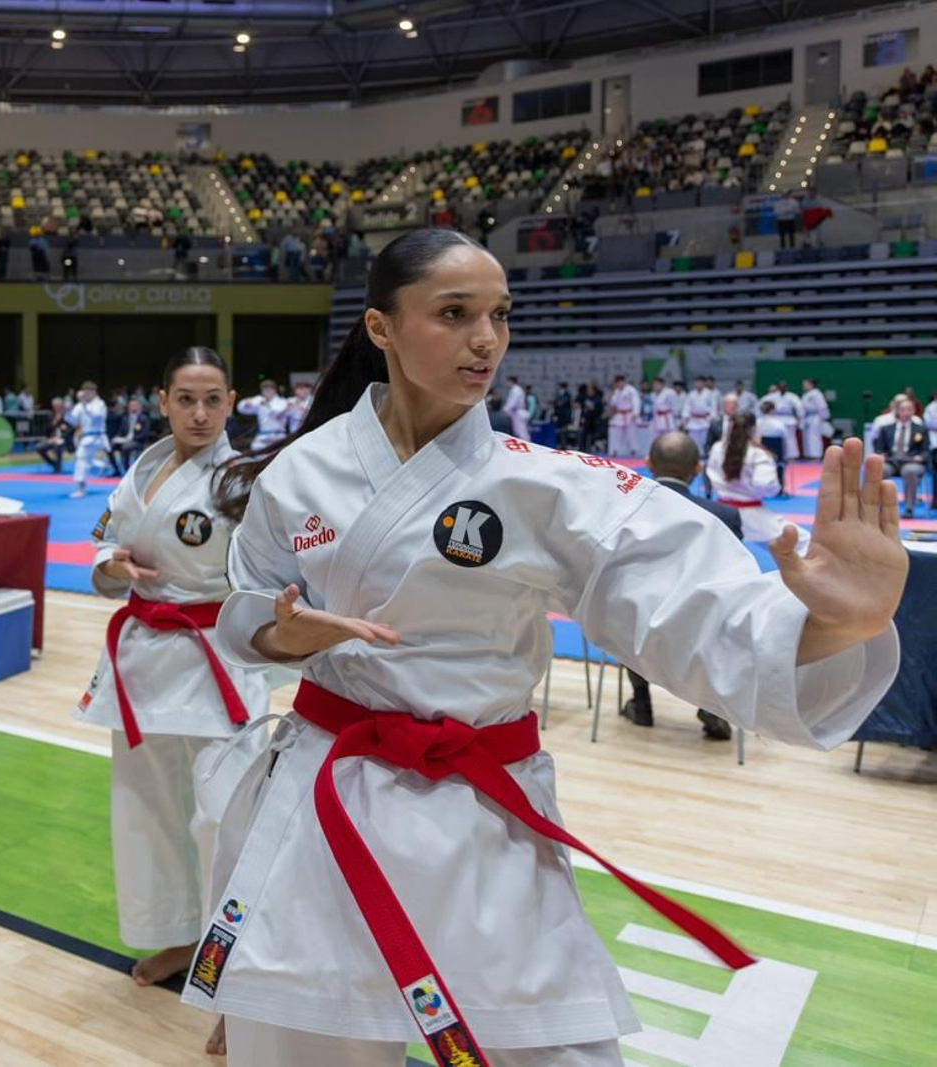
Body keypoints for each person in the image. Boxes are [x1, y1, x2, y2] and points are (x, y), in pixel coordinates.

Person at [186, 230, 904, 1066]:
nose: (486, 339)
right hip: (321, 794)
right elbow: (243, 609)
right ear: (381, 328)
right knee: (305, 1044)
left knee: (555, 1051)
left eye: (499, 314)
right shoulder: (300, 472)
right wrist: (279, 632)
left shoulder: (548, 485)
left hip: (477, 808)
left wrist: (831, 626)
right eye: (454, 314)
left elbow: (676, 594)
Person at [77, 347, 270, 1059]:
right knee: (147, 809)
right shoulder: (140, 468)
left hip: (218, 656)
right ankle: (184, 938)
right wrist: (112, 565)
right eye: (185, 398)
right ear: (161, 399)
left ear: (232, 400)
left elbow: (280, 569)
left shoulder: (245, 481)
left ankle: (242, 983)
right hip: (144, 662)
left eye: (212, 399)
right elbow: (103, 546)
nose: (198, 412)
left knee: (228, 822)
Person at [618, 433, 739, 740]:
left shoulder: (624, 509)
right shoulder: (725, 515)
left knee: (629, 609)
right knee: (718, 615)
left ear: (647, 464)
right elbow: (735, 575)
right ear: (697, 469)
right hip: (702, 626)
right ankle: (712, 707)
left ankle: (641, 702)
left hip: (640, 628)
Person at [707, 410, 805, 547]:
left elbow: (711, 474)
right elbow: (767, 487)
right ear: (754, 429)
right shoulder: (758, 455)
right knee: (803, 541)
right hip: (752, 515)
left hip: (721, 512)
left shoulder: (717, 449)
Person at [873, 396, 930, 519]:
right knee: (881, 469)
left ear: (914, 411)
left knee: (910, 471)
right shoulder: (886, 429)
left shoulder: (921, 429)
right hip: (891, 461)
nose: (906, 412)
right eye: (903, 409)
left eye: (909, 409)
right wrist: (881, 455)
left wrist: (920, 457)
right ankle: (880, 505)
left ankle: (909, 508)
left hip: (911, 462)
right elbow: (878, 449)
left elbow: (926, 450)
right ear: (897, 411)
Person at [68, 381, 110, 499]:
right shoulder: (80, 405)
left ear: (93, 392)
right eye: (84, 392)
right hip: (86, 437)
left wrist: (84, 404)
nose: (85, 394)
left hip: (97, 437)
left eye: (87, 392)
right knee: (86, 461)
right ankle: (101, 466)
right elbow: (72, 420)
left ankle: (81, 488)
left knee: (81, 458)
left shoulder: (100, 404)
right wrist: (68, 407)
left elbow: (97, 417)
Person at [236, 380, 290, 452]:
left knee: (280, 453)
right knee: (255, 448)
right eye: (265, 389)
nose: (267, 391)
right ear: (262, 391)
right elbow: (241, 409)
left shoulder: (282, 401)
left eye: (270, 389)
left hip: (279, 435)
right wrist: (246, 403)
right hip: (263, 436)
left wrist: (266, 405)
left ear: (275, 390)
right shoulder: (259, 400)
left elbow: (277, 412)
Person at [756, 398, 791, 498]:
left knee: (762, 468)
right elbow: (785, 439)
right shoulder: (778, 423)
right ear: (772, 410)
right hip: (776, 448)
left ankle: (761, 489)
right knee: (779, 468)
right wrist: (787, 455)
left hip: (762, 448)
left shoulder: (757, 422)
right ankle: (780, 489)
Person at [109, 398, 151, 476]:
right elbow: (121, 431)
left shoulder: (143, 418)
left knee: (125, 447)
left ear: (139, 406)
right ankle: (116, 469)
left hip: (137, 441)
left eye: (135, 405)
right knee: (110, 448)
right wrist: (117, 438)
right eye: (131, 405)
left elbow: (144, 433)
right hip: (125, 439)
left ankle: (127, 469)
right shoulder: (125, 418)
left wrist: (132, 439)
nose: (133, 407)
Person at [682, 376, 717, 456]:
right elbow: (687, 406)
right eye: (697, 382)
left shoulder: (710, 394)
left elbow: (713, 407)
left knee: (704, 440)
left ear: (704, 383)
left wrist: (712, 419)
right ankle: (694, 455)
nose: (698, 384)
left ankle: (705, 455)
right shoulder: (691, 394)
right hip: (693, 420)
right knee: (693, 440)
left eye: (700, 382)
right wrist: (685, 417)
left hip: (705, 420)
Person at [607, 374, 639, 456]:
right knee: (617, 434)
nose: (619, 384)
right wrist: (611, 394)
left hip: (629, 414)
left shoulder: (631, 390)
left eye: (621, 382)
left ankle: (634, 450)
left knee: (631, 433)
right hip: (620, 415)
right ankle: (615, 450)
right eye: (618, 383)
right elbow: (613, 404)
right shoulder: (616, 391)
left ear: (624, 382)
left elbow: (636, 401)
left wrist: (635, 413)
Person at [37, 398, 70, 473]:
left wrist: (60, 438)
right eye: (54, 406)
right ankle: (53, 463)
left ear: (62, 406)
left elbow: (69, 431)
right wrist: (54, 422)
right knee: (39, 447)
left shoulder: (67, 416)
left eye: (57, 406)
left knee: (58, 445)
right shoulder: (51, 415)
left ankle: (58, 466)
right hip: (51, 439)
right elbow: (46, 430)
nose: (56, 408)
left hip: (64, 440)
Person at [800, 378, 831, 460]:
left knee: (815, 437)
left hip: (815, 417)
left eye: (805, 384)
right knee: (807, 437)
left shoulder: (817, 394)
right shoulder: (806, 394)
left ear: (811, 384)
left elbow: (822, 406)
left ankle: (816, 455)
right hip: (807, 417)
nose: (803, 386)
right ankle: (809, 455)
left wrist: (824, 418)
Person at [501, 376, 529, 441]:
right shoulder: (516, 389)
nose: (506, 384)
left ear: (511, 381)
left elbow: (512, 403)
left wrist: (504, 410)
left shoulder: (515, 390)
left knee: (521, 432)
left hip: (518, 413)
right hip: (516, 413)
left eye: (507, 382)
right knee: (519, 432)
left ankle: (525, 446)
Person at [552, 381, 575, 449]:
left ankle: (564, 445)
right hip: (559, 415)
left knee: (564, 431)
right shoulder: (558, 394)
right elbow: (556, 405)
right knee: (559, 431)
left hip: (565, 416)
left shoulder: (567, 394)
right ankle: (560, 445)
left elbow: (562, 404)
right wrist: (555, 414)